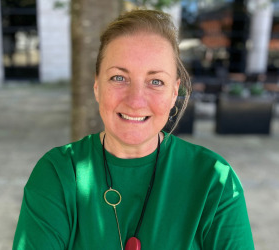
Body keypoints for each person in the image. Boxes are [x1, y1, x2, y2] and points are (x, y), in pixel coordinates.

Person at [13, 9, 254, 250]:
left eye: (156, 81)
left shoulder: (214, 181)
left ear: (174, 93)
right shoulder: (58, 173)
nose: (136, 100)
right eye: (119, 78)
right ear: (97, 86)